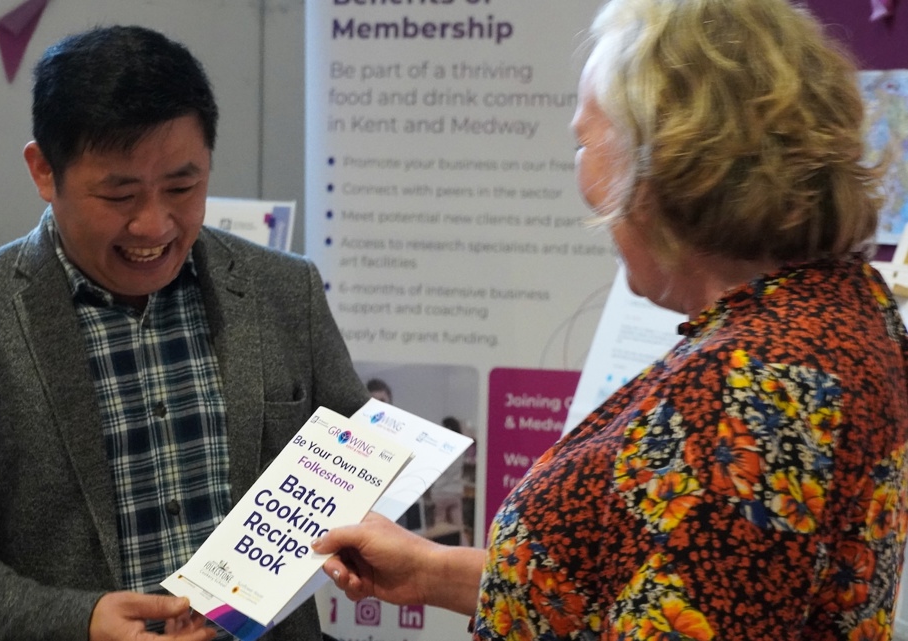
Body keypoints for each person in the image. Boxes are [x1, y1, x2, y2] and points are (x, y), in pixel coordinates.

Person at [313, 0, 908, 638]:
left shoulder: (743, 395)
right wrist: (431, 571)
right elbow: (649, 581)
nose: (587, 189)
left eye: (583, 142)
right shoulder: (843, 309)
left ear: (669, 165)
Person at [0, 25, 369, 641]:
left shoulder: (283, 291)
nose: (153, 225)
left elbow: (359, 465)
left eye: (181, 187)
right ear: (44, 171)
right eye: (118, 193)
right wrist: (82, 622)